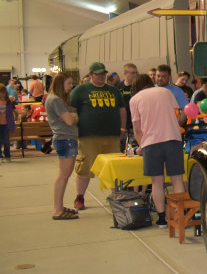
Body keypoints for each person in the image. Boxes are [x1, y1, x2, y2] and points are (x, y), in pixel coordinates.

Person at [69, 62, 126, 210]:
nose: (101, 76)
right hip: (88, 136)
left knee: (113, 168)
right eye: (98, 74)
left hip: (112, 136)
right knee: (85, 168)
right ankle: (80, 197)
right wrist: (73, 128)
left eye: (103, 74)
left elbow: (122, 109)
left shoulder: (113, 90)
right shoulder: (80, 90)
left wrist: (123, 128)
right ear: (91, 75)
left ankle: (116, 197)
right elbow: (72, 110)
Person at [129, 74, 185, 228]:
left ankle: (161, 218)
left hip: (151, 143)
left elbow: (137, 129)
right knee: (177, 180)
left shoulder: (134, 100)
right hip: (173, 138)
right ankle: (179, 216)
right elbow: (178, 116)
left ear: (135, 87)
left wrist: (142, 146)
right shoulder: (165, 92)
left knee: (157, 182)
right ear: (150, 82)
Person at [45, 73, 80, 220]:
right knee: (63, 175)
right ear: (60, 84)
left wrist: (72, 115)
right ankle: (57, 210)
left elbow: (74, 115)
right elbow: (70, 120)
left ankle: (59, 206)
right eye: (69, 83)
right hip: (65, 139)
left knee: (65, 175)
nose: (71, 86)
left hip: (67, 139)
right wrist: (72, 115)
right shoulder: (55, 100)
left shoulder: (57, 99)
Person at [0, 86, 14, 162]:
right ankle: (0, 156)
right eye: (1, 93)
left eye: (4, 92)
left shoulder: (8, 102)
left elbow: (10, 115)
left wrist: (12, 125)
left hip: (6, 124)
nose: (2, 94)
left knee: (6, 142)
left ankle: (7, 155)